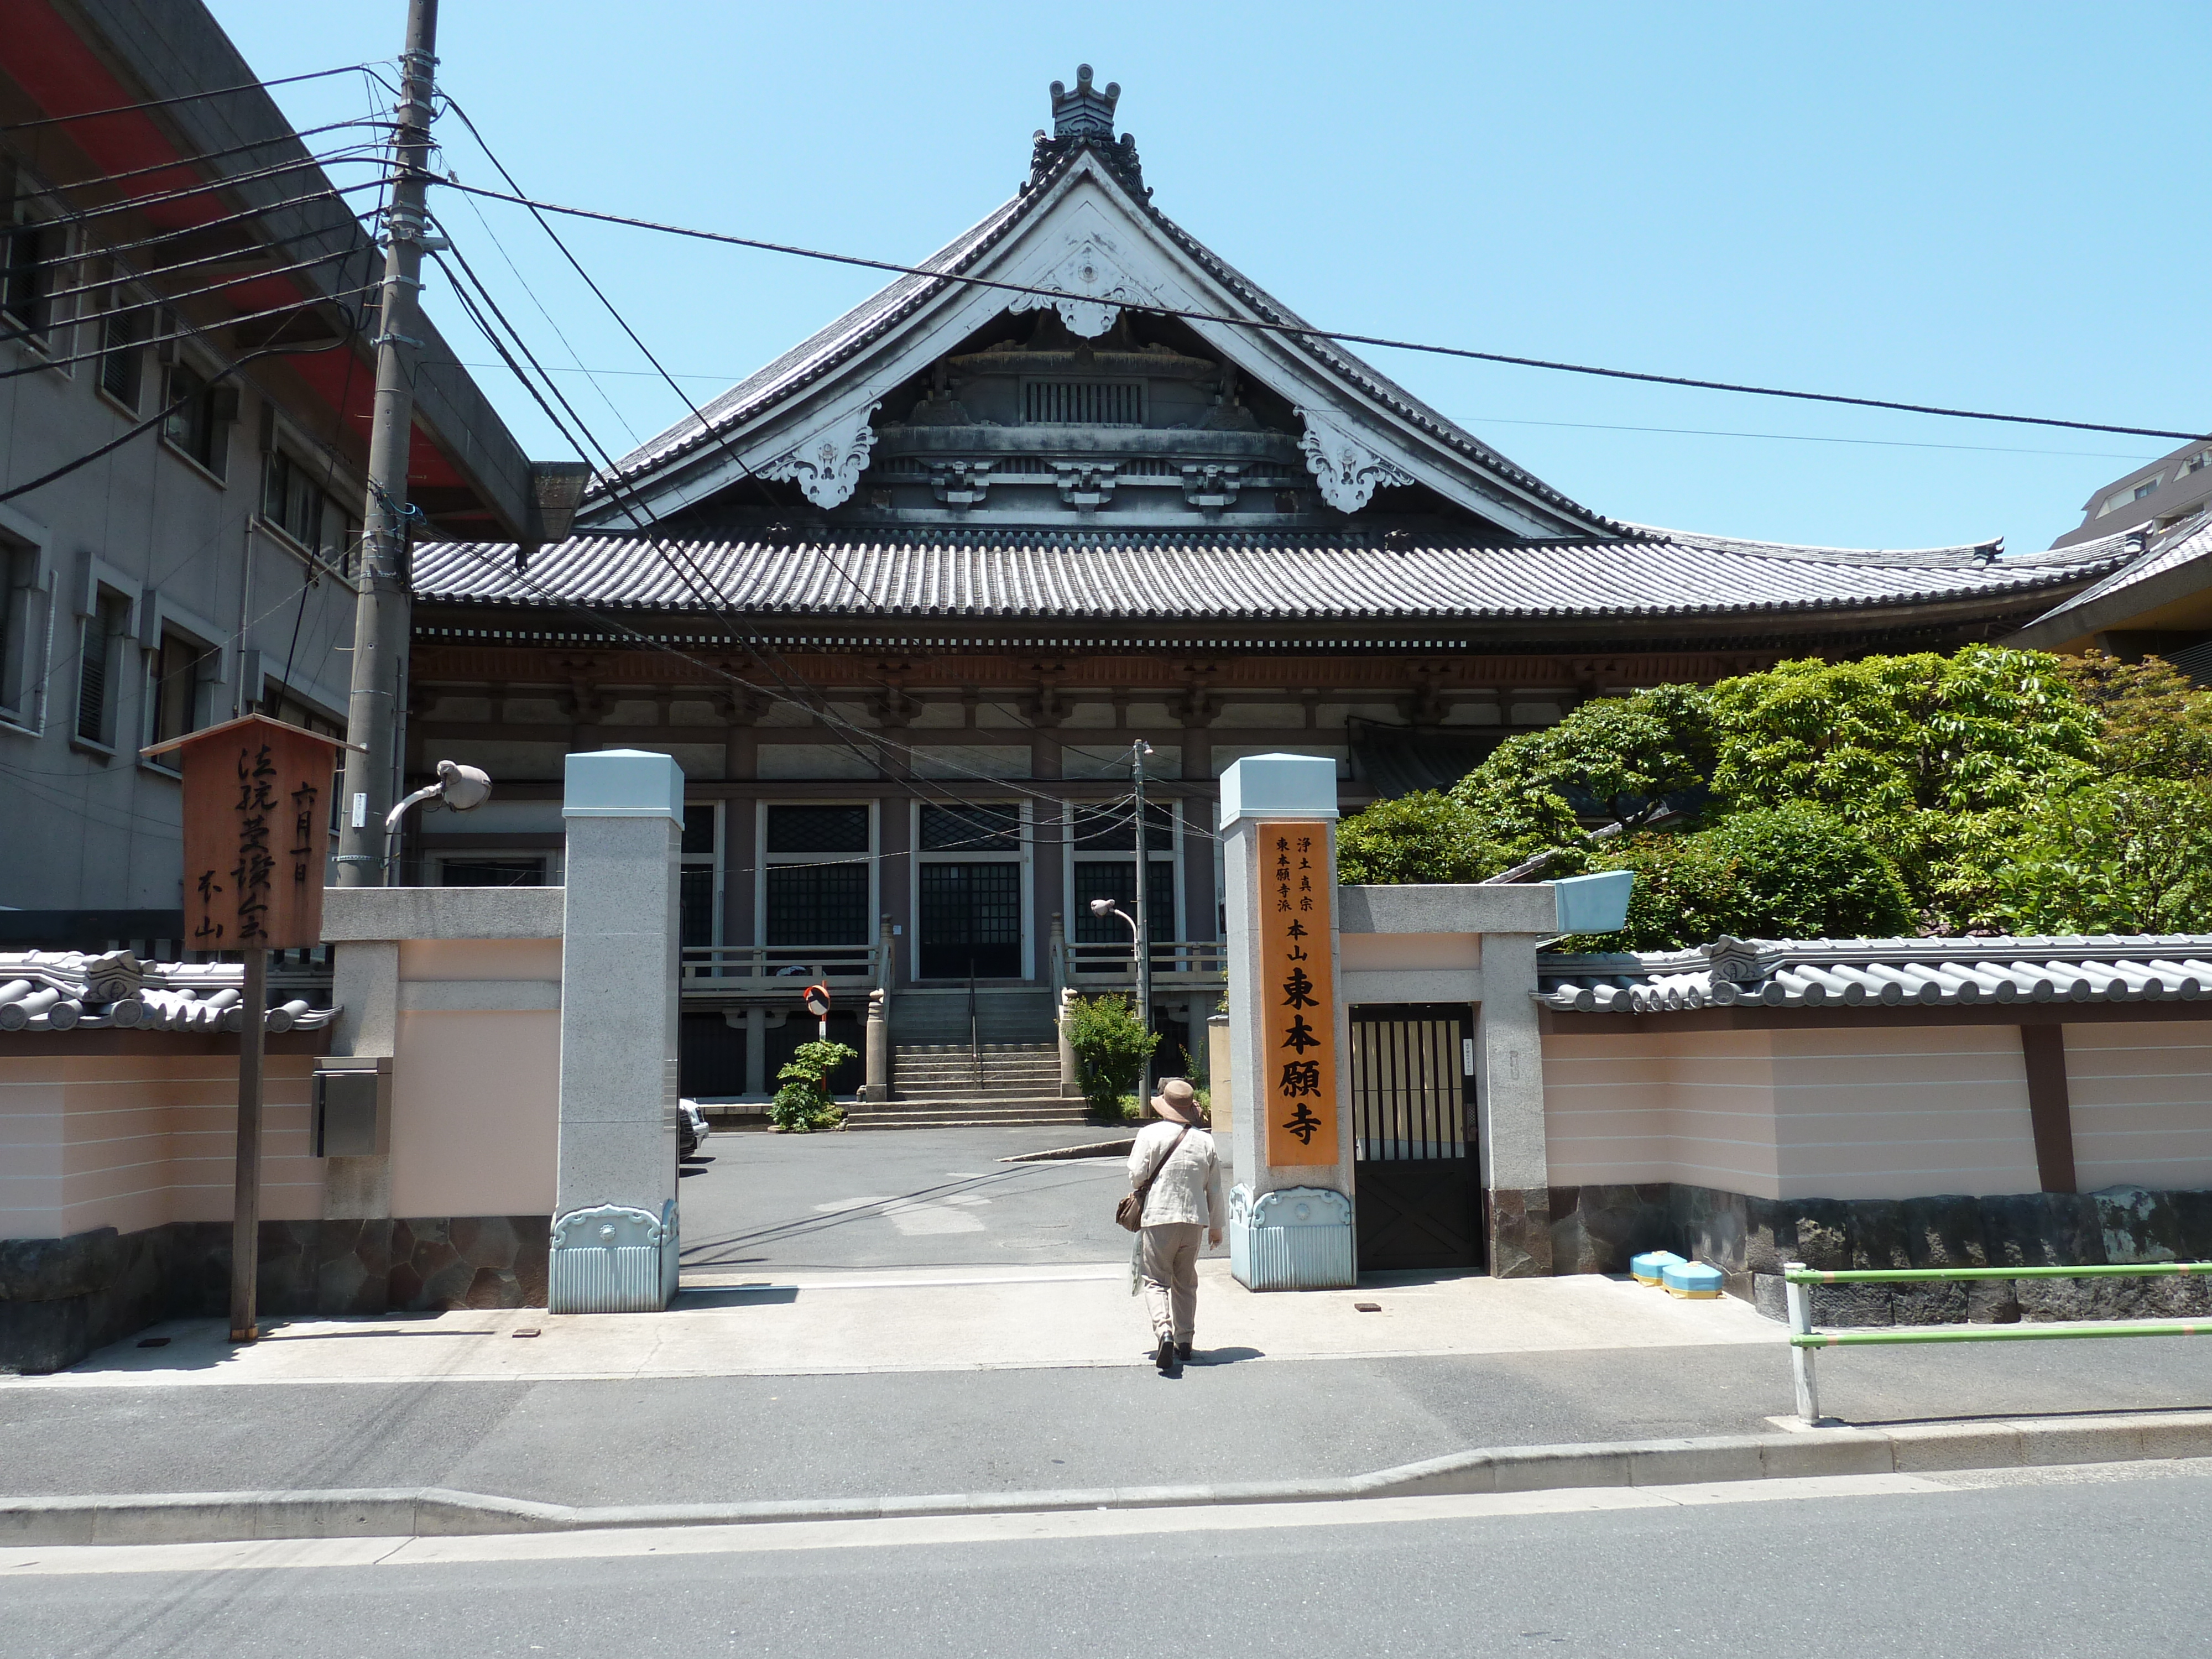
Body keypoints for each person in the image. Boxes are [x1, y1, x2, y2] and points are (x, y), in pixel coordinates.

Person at [1126, 1077, 1223, 1374]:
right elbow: (1215, 1188)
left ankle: (1164, 1331)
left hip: (1159, 1216)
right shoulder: (1205, 1140)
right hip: (1194, 1220)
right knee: (1186, 1281)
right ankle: (1185, 1341)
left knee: (1155, 1280)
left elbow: (1136, 1174)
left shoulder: (1150, 1134)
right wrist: (1217, 1228)